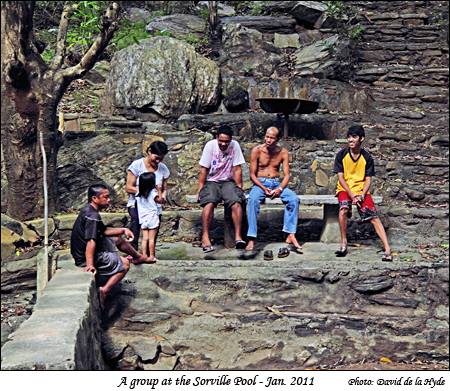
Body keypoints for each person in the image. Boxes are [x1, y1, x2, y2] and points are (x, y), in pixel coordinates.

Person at [71, 184, 153, 304]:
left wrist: (123, 230)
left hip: (88, 250)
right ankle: (104, 290)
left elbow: (103, 231)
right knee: (124, 264)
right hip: (85, 257)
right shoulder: (92, 216)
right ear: (95, 198)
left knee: (117, 239)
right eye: (106, 197)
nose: (109, 200)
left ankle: (138, 257)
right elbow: (91, 241)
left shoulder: (89, 210)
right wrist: (89, 264)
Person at [333, 124, 392, 261]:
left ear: (361, 139)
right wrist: (352, 195)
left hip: (361, 191)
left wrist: (361, 195)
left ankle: (387, 248)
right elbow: (341, 178)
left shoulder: (367, 157)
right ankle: (343, 242)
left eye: (354, 137)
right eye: (349, 137)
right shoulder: (341, 154)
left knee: (373, 217)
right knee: (343, 209)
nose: (350, 140)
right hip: (345, 189)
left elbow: (368, 180)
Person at [245, 126, 302, 257]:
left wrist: (280, 188)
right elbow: (252, 175)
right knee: (252, 200)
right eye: (267, 136)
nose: (268, 140)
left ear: (277, 139)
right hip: (260, 183)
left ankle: (290, 234)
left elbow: (287, 175)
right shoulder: (257, 151)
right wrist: (263, 188)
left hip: (276, 183)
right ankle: (252, 238)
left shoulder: (283, 152)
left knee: (293, 199)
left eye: (271, 138)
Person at [197, 125, 246, 252]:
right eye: (221, 141)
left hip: (228, 181)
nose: (224, 144)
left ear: (230, 140)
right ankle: (205, 237)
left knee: (236, 201)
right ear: (217, 137)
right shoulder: (210, 146)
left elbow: (237, 168)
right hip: (212, 181)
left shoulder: (235, 146)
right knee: (209, 202)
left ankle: (238, 237)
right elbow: (204, 169)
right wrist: (200, 189)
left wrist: (239, 187)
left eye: (226, 141)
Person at [126, 141, 170, 249]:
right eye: (156, 157)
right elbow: (128, 187)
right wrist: (145, 193)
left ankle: (150, 253)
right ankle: (132, 251)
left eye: (161, 158)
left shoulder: (163, 168)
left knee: (154, 227)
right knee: (136, 223)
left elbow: (164, 188)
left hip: (154, 205)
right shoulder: (137, 165)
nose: (158, 161)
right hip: (137, 203)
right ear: (149, 152)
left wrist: (162, 197)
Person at [136, 172, 163, 262]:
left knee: (144, 239)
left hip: (143, 218)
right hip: (152, 217)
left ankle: (144, 255)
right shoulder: (153, 193)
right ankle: (151, 256)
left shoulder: (138, 194)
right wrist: (159, 190)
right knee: (151, 239)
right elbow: (160, 201)